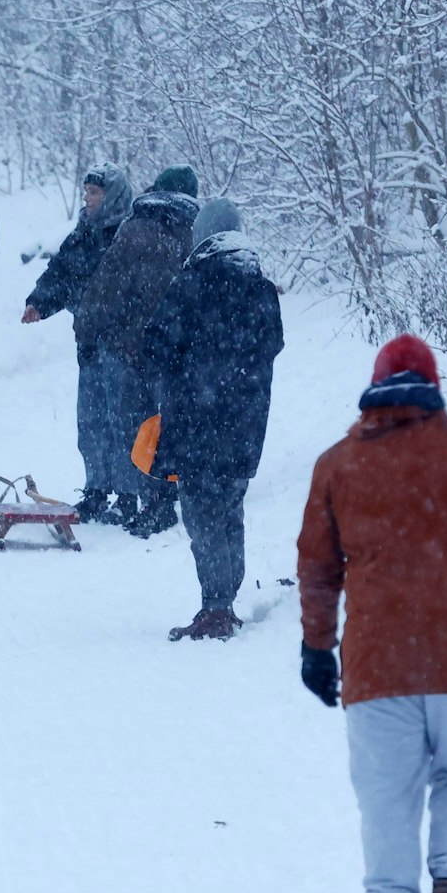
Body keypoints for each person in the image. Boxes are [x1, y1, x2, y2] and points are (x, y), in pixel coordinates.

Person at [297, 335, 447, 893]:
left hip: (377, 663)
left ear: (375, 386)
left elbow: (316, 566)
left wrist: (315, 647)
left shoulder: (338, 463)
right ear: (432, 385)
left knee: (385, 797)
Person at [144, 197, 283, 641]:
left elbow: (156, 346)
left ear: (203, 234)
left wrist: (191, 371)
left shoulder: (193, 278)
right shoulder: (260, 285)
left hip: (198, 421)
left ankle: (216, 608)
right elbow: (272, 345)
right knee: (229, 510)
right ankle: (226, 600)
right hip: (244, 425)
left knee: (202, 515)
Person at [71, 187, 199, 535]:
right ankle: (171, 496)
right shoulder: (192, 232)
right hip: (174, 349)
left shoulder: (134, 229)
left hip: (131, 347)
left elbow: (105, 287)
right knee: (171, 422)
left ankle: (148, 501)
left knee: (135, 427)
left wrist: (86, 331)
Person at [21, 164, 135, 521]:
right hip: (88, 338)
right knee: (91, 418)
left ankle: (129, 494)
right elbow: (61, 271)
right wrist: (39, 301)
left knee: (122, 418)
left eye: (94, 193)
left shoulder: (128, 234)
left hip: (121, 341)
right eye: (86, 192)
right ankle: (97, 488)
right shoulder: (84, 231)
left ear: (112, 195)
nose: (87, 199)